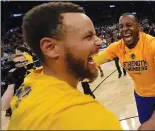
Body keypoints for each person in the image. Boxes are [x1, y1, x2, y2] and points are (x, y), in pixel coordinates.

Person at [8, 2, 122, 130]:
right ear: (50, 48)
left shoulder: (30, 82)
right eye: (88, 36)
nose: (100, 42)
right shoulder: (92, 118)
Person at [94, 13, 155, 130]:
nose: (124, 29)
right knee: (145, 122)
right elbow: (97, 59)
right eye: (121, 26)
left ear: (139, 27)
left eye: (129, 25)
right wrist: (78, 67)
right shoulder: (117, 47)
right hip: (141, 95)